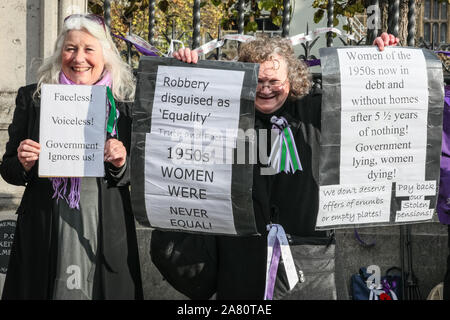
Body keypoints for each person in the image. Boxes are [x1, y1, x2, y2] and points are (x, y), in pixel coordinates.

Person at [171, 32, 399, 299]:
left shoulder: (316, 111)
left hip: (308, 262)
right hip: (243, 266)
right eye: (258, 81)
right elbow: (184, 114)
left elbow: (365, 103)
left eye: (274, 81)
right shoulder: (226, 114)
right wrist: (187, 73)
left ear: (291, 80)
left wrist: (379, 59)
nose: (266, 88)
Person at [0, 14, 143, 300]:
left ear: (105, 55)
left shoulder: (124, 105)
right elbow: (9, 170)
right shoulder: (34, 97)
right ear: (59, 53)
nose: (79, 58)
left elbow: (140, 174)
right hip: (46, 220)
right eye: (70, 48)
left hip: (105, 220)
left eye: (89, 49)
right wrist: (24, 162)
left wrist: (121, 162)